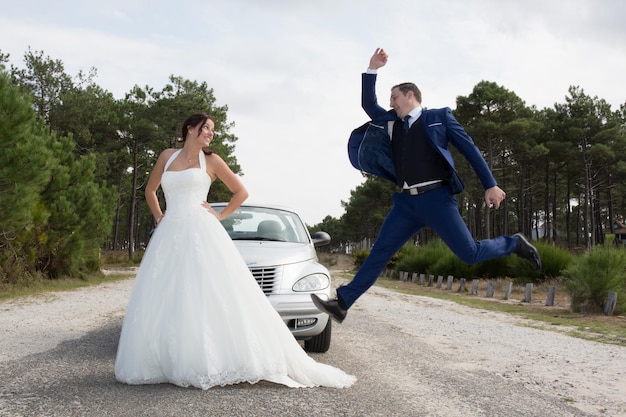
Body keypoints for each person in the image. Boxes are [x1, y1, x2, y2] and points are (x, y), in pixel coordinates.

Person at [115, 113, 355, 389]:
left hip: (202, 232)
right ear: (190, 129)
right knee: (168, 293)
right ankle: (167, 359)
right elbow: (150, 189)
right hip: (170, 234)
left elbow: (240, 192)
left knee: (206, 293)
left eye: (212, 130)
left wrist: (220, 216)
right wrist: (159, 217)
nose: (210, 134)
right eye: (206, 128)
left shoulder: (212, 160)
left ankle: (208, 360)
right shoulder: (167, 156)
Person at [311, 48, 541, 323]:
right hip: (406, 203)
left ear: (410, 95)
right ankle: (343, 302)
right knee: (380, 252)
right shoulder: (392, 121)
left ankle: (514, 243)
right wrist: (372, 70)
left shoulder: (439, 117)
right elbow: (368, 105)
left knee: (469, 254)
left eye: (394, 97)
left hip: (437, 199)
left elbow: (469, 150)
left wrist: (490, 184)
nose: (391, 103)